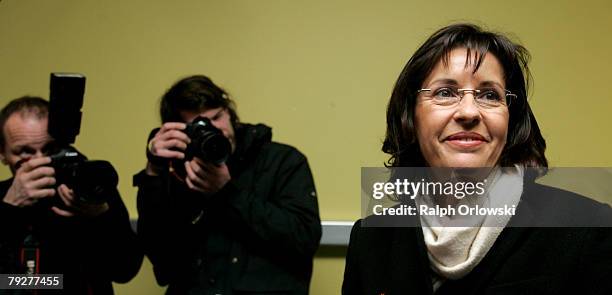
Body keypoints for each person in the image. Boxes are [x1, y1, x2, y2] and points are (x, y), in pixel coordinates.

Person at [342, 23, 612, 294]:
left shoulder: (587, 227)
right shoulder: (370, 239)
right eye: (445, 92)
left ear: (511, 120)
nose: (469, 112)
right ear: (410, 117)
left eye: (489, 95)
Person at [134, 75, 321, 295]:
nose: (216, 130)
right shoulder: (177, 170)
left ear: (230, 113)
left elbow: (303, 239)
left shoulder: (281, 161)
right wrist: (154, 172)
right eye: (199, 126)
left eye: (217, 117)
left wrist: (227, 192)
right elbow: (160, 257)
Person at [0, 96, 143, 294]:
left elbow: (124, 271)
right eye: (25, 152)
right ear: (3, 154)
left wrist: (101, 216)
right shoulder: (3, 201)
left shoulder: (87, 190)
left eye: (50, 149)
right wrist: (9, 211)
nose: (40, 161)